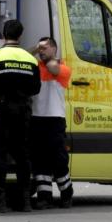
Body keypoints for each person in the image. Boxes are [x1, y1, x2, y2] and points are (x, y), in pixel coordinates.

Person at [0, 20, 41, 212]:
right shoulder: (30, 60)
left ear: (4, 35)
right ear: (20, 36)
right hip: (22, 114)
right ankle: (25, 201)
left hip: (0, 113)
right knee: (23, 156)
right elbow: (36, 88)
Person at [29, 37, 73, 209]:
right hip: (37, 118)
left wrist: (48, 58)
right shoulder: (35, 67)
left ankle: (67, 193)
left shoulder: (62, 68)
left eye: (45, 48)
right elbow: (21, 56)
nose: (41, 51)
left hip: (55, 120)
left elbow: (52, 67)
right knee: (39, 160)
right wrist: (36, 47)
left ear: (54, 49)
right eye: (40, 49)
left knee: (59, 159)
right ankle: (44, 197)